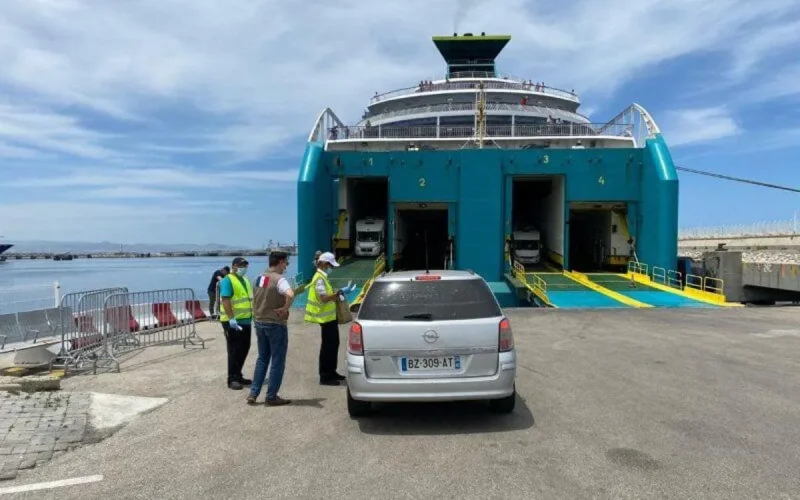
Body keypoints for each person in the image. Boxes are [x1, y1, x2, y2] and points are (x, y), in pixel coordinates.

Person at [247, 251, 294, 406]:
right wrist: (285, 308)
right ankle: (271, 395)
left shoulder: (260, 278)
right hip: (275, 323)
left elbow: (262, 296)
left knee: (262, 358)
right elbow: (290, 294)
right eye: (286, 263)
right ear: (281, 262)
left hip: (259, 322)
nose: (286, 265)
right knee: (277, 360)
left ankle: (253, 393)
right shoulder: (280, 279)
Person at [304, 251, 346, 386]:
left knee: (334, 345)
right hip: (325, 319)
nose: (331, 268)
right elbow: (323, 298)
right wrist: (338, 293)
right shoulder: (319, 278)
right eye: (330, 265)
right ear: (324, 264)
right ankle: (325, 376)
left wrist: (336, 293)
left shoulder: (323, 277)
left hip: (330, 318)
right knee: (328, 347)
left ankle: (332, 371)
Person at [219, 257, 253, 390]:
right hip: (233, 321)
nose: (244, 268)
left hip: (246, 320)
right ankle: (232, 379)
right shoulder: (228, 280)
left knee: (245, 347)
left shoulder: (244, 280)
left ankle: (238, 374)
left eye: (245, 266)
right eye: (241, 266)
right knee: (234, 349)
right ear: (234, 266)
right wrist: (231, 318)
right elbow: (225, 299)